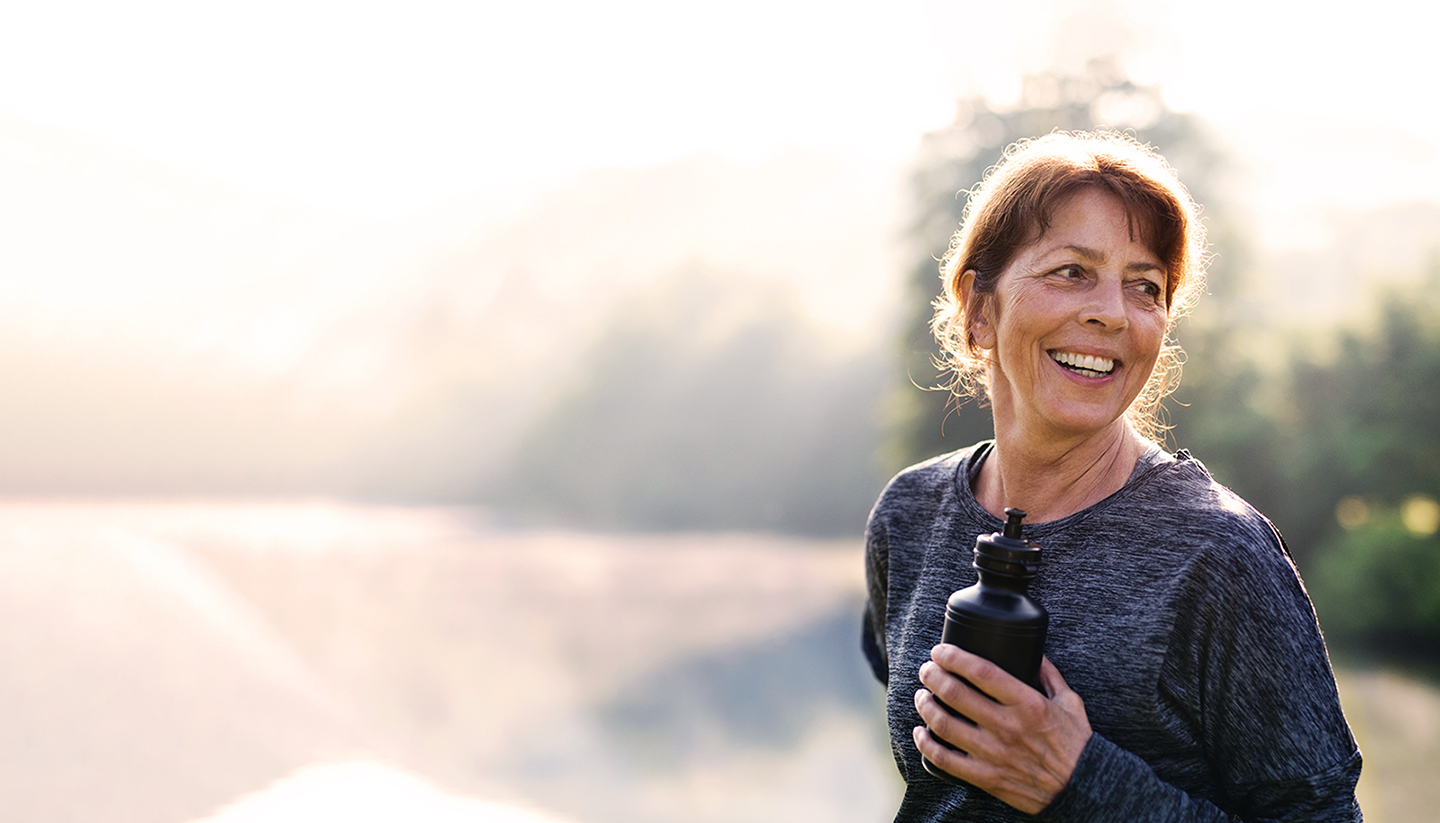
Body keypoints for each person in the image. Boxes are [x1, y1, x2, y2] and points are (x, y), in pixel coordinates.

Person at [861, 131, 1362, 821]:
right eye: (1071, 270)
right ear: (980, 310)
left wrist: (1081, 780)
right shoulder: (909, 514)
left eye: (1144, 286)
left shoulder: (1221, 556)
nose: (1112, 311)